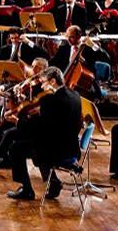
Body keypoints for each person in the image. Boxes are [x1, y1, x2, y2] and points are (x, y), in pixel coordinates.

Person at [6, 67, 82, 200]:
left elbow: (38, 129)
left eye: (43, 82)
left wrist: (17, 121)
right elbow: (56, 121)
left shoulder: (50, 100)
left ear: (52, 81)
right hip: (72, 149)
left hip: (57, 152)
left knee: (16, 149)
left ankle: (27, 190)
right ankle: (53, 184)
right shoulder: (75, 95)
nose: (41, 86)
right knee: (38, 143)